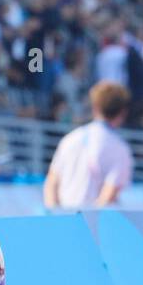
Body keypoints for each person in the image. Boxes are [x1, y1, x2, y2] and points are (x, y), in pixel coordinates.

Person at [43, 80, 134, 212]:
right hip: (91, 225)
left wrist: (57, 218)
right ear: (123, 113)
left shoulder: (70, 138)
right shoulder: (120, 149)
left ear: (95, 107)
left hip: (64, 219)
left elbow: (51, 183)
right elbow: (107, 197)